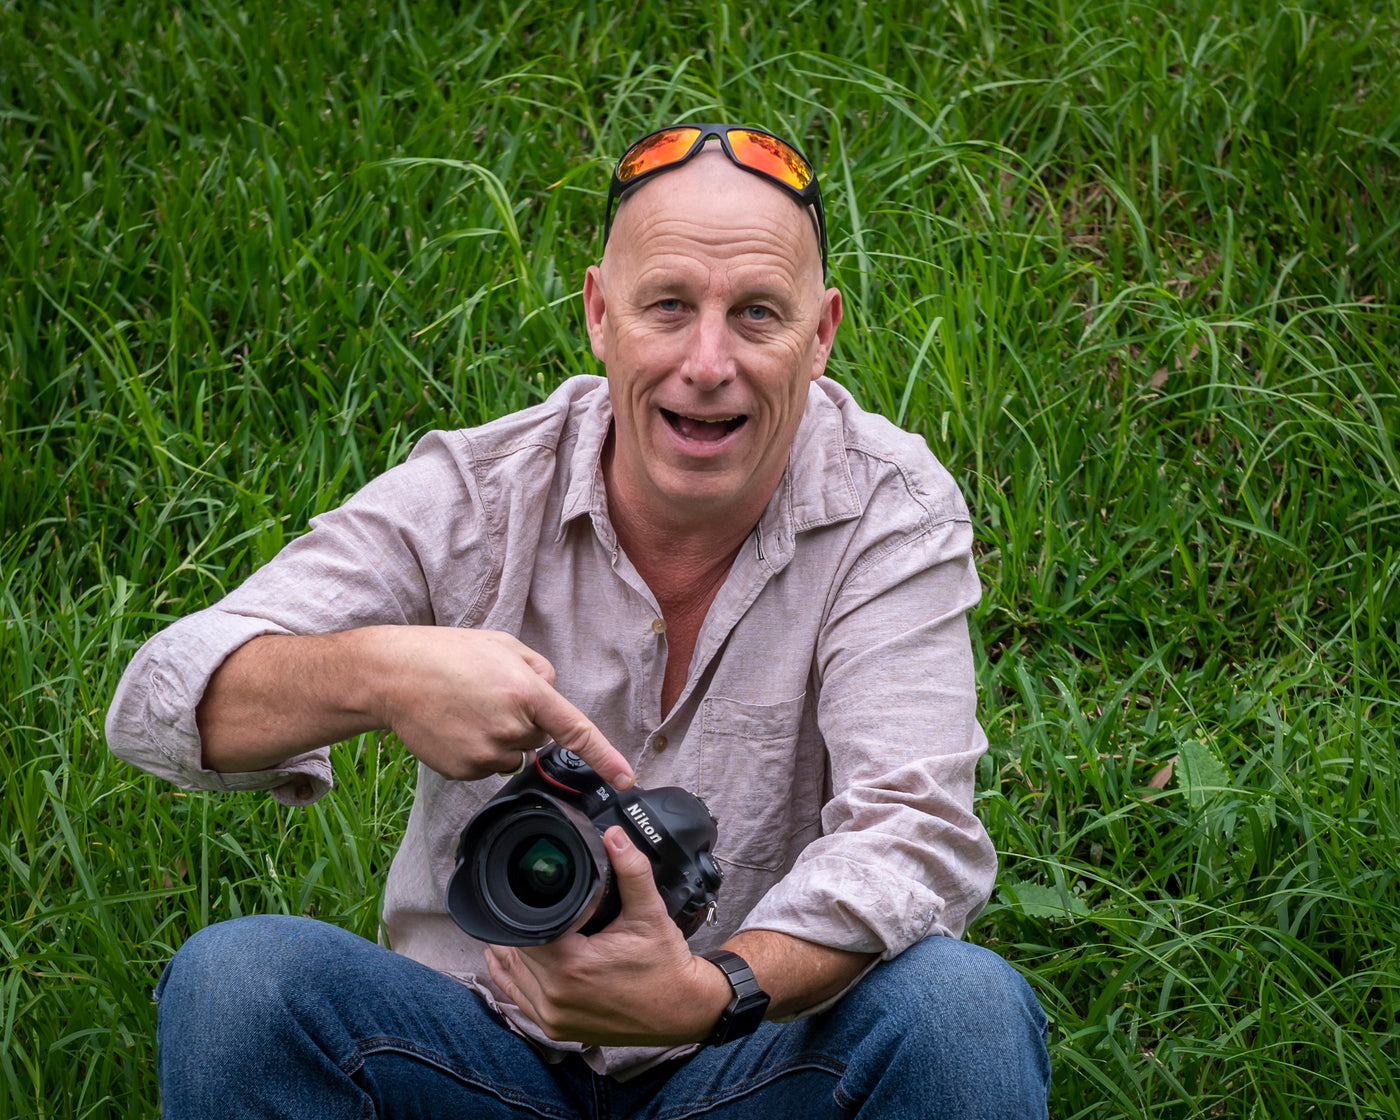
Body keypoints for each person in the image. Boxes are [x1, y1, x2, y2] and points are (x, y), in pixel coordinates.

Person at [107, 123, 1050, 1118]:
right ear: (599, 313)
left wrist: (707, 990)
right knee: (240, 984)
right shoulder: (479, 493)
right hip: (472, 1052)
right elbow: (157, 702)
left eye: (757, 314)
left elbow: (912, 838)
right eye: (668, 306)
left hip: (746, 1060)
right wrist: (379, 676)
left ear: (820, 334)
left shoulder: (885, 505)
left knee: (960, 1005)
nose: (706, 360)